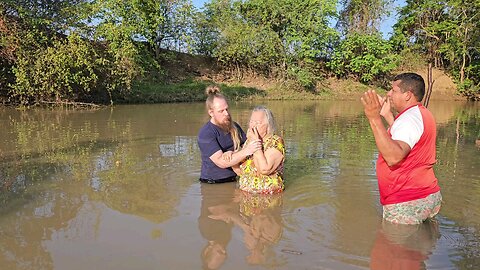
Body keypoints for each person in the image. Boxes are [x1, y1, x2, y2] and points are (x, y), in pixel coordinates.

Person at [360, 72, 442, 225]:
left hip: (406, 201)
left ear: (407, 95)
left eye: (394, 90)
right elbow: (407, 139)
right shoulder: (420, 114)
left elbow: (394, 157)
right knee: (420, 246)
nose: (389, 94)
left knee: (394, 247)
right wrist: (387, 115)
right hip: (426, 195)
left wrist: (374, 118)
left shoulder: (409, 119)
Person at [198, 86, 262, 184]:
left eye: (227, 109)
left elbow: (245, 144)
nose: (226, 113)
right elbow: (221, 162)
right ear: (211, 113)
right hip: (214, 184)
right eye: (221, 111)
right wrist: (246, 151)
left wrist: (233, 152)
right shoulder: (206, 133)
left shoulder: (234, 126)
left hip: (235, 178)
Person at [226, 106, 285, 194]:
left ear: (268, 126)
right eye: (251, 121)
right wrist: (231, 155)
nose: (253, 126)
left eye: (257, 122)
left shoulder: (275, 142)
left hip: (268, 198)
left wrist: (255, 143)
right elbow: (241, 172)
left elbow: (264, 169)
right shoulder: (248, 142)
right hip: (246, 197)